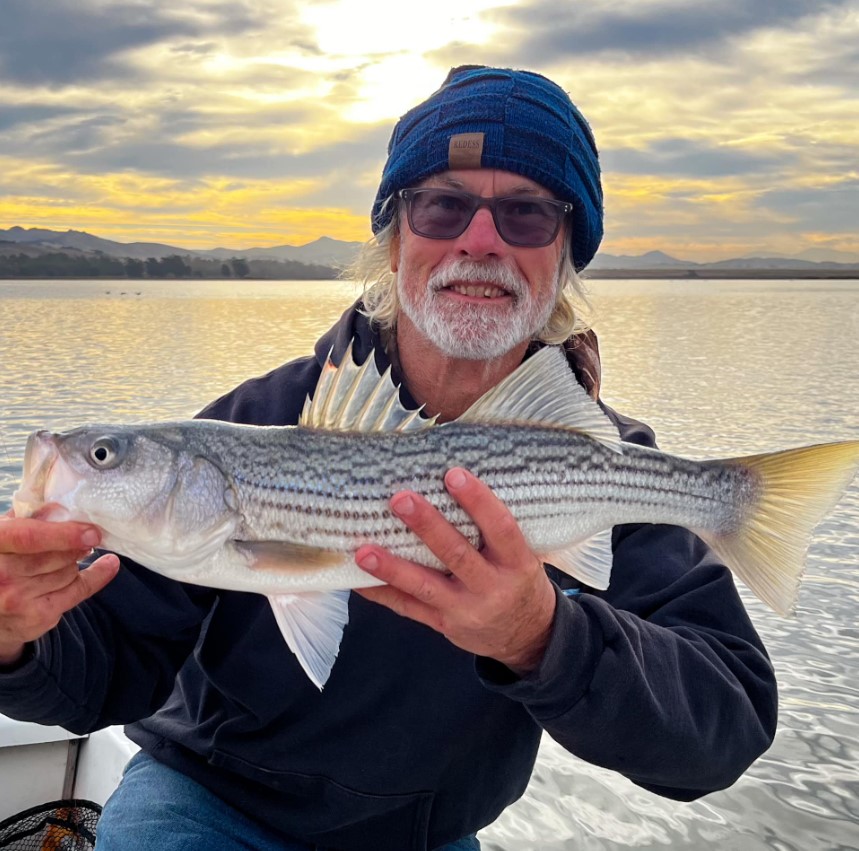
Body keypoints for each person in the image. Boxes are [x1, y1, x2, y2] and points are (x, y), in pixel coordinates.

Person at [0, 66, 777, 851]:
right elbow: (107, 670)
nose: (479, 239)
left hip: (425, 835)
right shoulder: (254, 421)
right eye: (441, 206)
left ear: (567, 252)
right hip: (206, 803)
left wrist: (543, 637)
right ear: (395, 235)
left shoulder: (602, 465)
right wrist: (17, 639)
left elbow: (723, 729)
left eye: (526, 214)